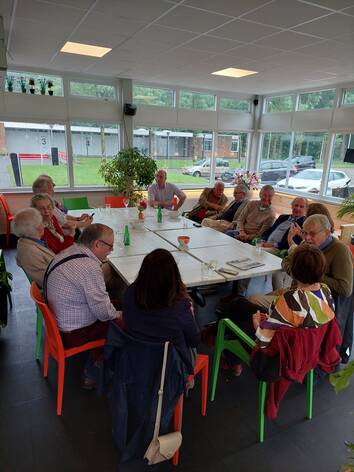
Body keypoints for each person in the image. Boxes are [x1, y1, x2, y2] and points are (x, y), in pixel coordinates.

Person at [220, 244, 336, 374]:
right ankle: (229, 357)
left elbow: (264, 341)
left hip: (279, 355)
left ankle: (230, 360)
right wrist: (269, 320)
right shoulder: (325, 291)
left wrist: (257, 325)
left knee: (232, 323)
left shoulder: (291, 299)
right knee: (239, 304)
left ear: (294, 270)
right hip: (307, 349)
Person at [122, 248, 200, 373]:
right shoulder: (181, 307)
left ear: (143, 272)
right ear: (173, 275)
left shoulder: (130, 292)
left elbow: (126, 320)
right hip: (168, 367)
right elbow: (194, 341)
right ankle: (185, 382)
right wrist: (191, 314)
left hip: (135, 357)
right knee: (191, 347)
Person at [46, 223, 120, 349]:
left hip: (60, 322)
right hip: (75, 333)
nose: (111, 251)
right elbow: (103, 314)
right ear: (97, 244)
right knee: (130, 321)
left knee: (119, 305)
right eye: (110, 247)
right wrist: (120, 315)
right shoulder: (89, 267)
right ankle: (105, 358)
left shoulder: (71, 250)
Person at [13, 208, 55, 287]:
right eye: (41, 222)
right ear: (38, 228)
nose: (43, 225)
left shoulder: (25, 241)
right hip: (59, 288)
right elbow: (50, 280)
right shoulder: (30, 252)